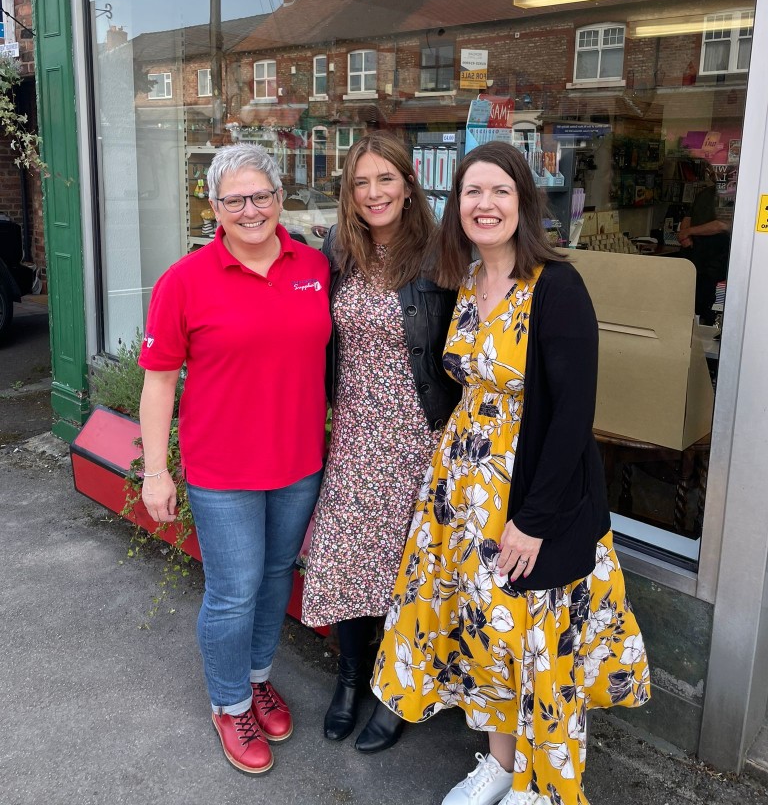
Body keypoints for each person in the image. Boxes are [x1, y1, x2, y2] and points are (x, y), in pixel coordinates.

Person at [371, 142, 650, 805]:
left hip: (530, 495)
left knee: (541, 639)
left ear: (524, 202)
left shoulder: (557, 284)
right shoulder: (466, 278)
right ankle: (499, 764)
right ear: (456, 207)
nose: (485, 204)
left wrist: (533, 520)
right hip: (463, 496)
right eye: (472, 193)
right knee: (487, 634)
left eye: (500, 191)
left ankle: (544, 785)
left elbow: (572, 416)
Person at [139, 143, 330, 775]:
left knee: (277, 577)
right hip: (223, 470)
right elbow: (159, 381)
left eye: (261, 196)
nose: (250, 210)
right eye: (234, 199)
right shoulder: (184, 281)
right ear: (214, 205)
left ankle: (255, 676)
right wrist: (157, 472)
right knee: (232, 591)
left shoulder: (315, 266)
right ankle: (229, 703)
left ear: (280, 198)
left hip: (298, 461)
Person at [301, 131, 460, 753]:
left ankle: (397, 693)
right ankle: (350, 679)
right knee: (348, 555)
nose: (373, 193)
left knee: (408, 565)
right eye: (361, 182)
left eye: (384, 180)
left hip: (418, 430)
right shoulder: (339, 249)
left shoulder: (440, 254)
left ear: (408, 181)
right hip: (357, 428)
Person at [677, 163, 731, 324]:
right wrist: (685, 237)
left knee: (707, 301)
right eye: (710, 169)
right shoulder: (703, 193)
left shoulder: (732, 196)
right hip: (693, 252)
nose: (713, 173)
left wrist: (690, 232)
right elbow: (688, 217)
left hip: (715, 254)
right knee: (687, 300)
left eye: (717, 169)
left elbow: (722, 225)